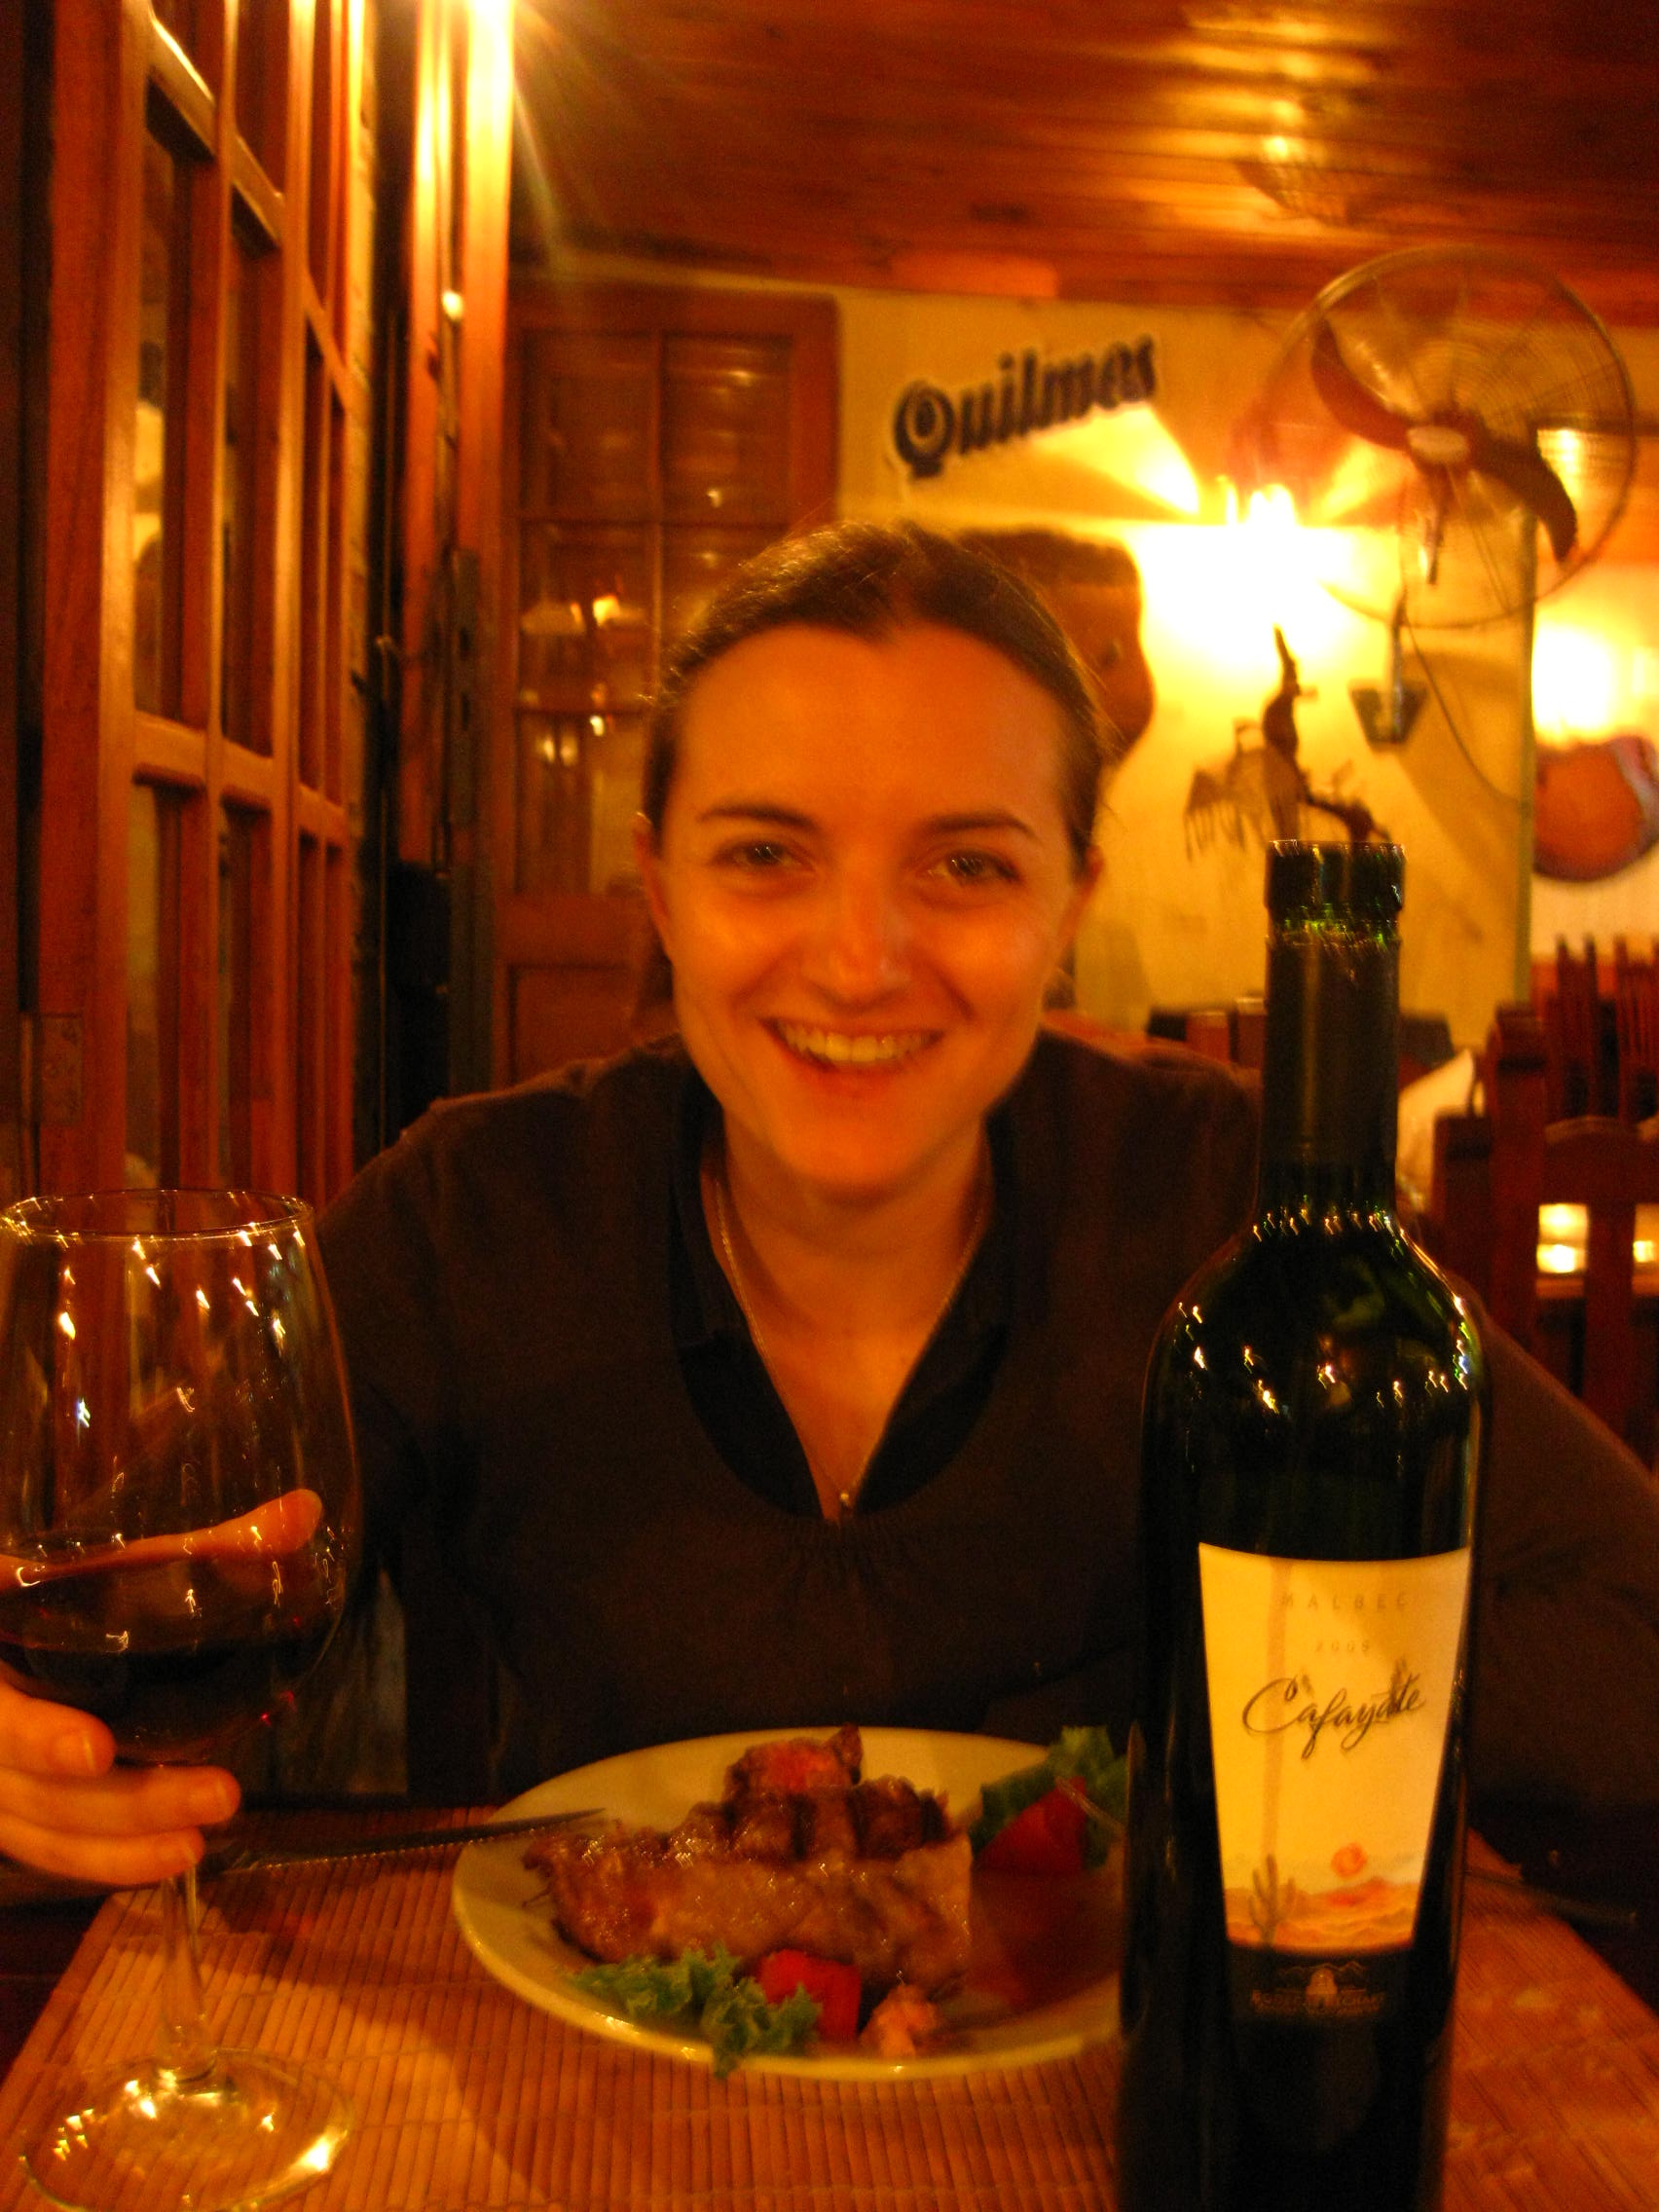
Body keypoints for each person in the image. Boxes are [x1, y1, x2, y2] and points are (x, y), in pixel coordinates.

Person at [3, 520, 1658, 1887]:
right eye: (765, 855)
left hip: (1104, 2081)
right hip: (561, 2084)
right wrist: (38, 1761)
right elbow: (133, 1610)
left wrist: (1229, 1711)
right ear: (660, 887)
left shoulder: (1223, 1207)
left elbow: (1626, 1624)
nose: (862, 961)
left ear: (1070, 904)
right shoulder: (475, 1217)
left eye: (968, 866)